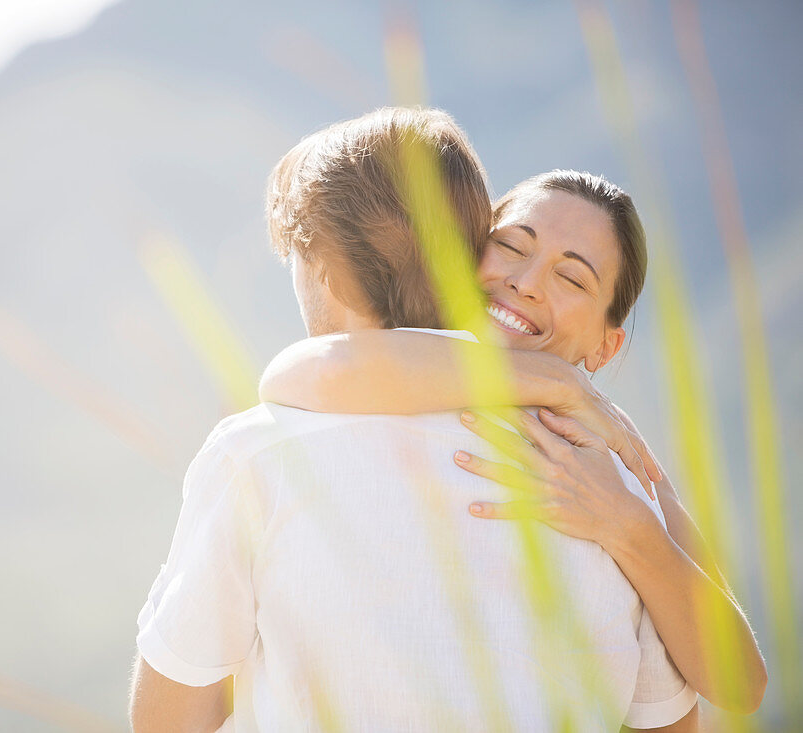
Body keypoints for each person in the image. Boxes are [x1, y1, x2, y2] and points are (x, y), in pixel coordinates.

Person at [130, 107, 702, 731]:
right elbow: (675, 719)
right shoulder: (594, 481)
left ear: (323, 271)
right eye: (512, 247)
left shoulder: (259, 453)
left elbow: (169, 720)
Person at [258, 169, 768, 716]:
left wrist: (620, 520)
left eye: (572, 279)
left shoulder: (607, 464)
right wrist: (558, 380)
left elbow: (739, 685)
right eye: (509, 245)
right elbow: (295, 374)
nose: (526, 281)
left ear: (605, 347)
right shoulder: (406, 364)